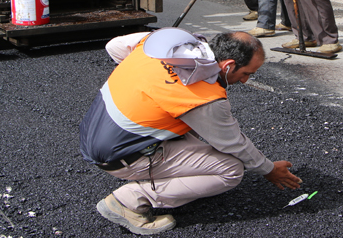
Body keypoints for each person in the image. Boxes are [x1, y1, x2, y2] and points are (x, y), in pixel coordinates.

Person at [80, 28, 302, 235]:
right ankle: (128, 201)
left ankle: (170, 179)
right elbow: (233, 143)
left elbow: (115, 46)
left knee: (189, 126)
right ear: (228, 65)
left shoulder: (165, 40)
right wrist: (269, 169)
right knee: (231, 169)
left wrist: (144, 82)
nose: (245, 80)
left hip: (95, 130)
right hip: (118, 155)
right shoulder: (204, 96)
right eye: (246, 73)